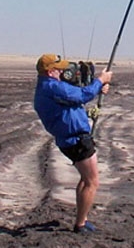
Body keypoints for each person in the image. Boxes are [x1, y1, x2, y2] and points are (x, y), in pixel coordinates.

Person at [32, 53, 112, 233]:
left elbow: (72, 103)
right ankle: (80, 224)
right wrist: (100, 80)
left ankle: (81, 220)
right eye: (59, 69)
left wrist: (97, 91)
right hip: (76, 141)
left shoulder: (48, 88)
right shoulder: (51, 87)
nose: (62, 73)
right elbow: (81, 95)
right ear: (51, 71)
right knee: (92, 182)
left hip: (73, 139)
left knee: (86, 180)